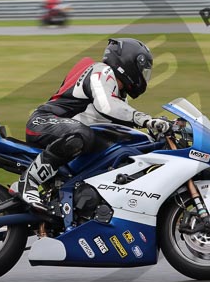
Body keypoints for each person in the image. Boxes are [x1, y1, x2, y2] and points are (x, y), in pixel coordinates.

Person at [17, 38, 170, 211]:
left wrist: (154, 139)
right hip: (44, 121)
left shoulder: (119, 96)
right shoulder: (101, 72)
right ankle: (29, 181)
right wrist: (146, 120)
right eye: (142, 70)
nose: (143, 76)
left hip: (67, 131)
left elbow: (124, 127)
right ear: (128, 63)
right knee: (83, 135)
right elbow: (107, 106)